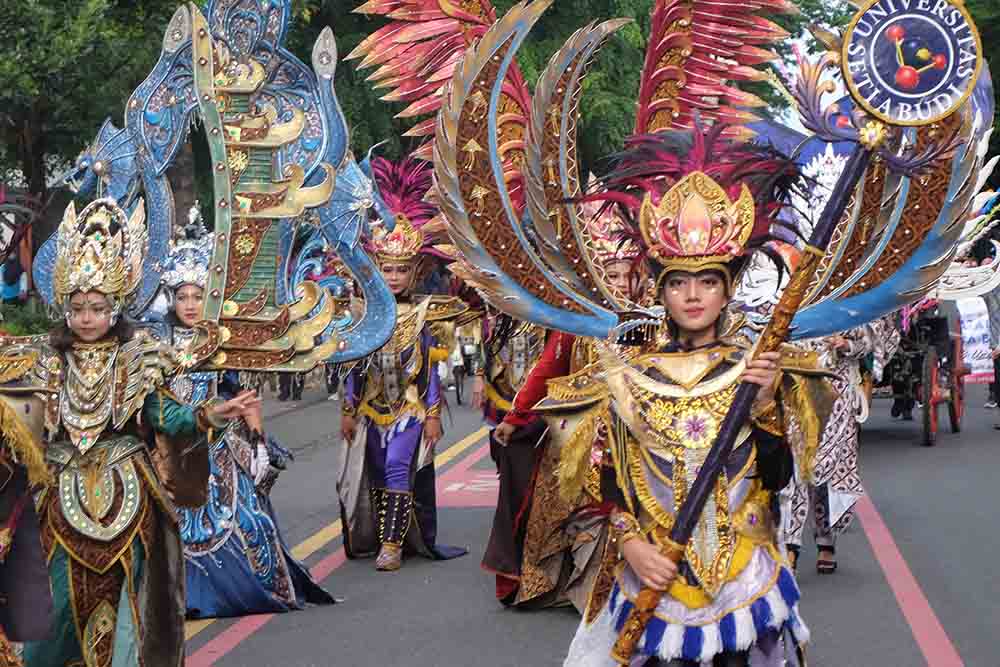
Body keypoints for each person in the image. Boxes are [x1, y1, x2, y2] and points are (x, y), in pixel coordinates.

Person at [536, 134, 833, 666]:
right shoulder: (629, 378)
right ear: (661, 290)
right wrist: (631, 546)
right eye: (679, 283)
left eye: (707, 281)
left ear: (728, 287)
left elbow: (780, 476)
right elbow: (607, 488)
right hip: (656, 578)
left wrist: (765, 404)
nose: (693, 296)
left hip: (745, 576)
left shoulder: (757, 369)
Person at [5, 197, 259, 667]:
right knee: (58, 604)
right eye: (78, 307)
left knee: (127, 613)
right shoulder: (46, 361)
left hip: (128, 498)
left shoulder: (138, 359)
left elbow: (168, 417)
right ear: (65, 309)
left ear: (115, 308)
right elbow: (25, 428)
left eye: (97, 308)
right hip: (61, 499)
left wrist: (211, 416)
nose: (86, 318)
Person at [158, 225, 334, 618]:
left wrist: (254, 428)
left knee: (249, 523)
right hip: (172, 452)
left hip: (217, 449)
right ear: (171, 300)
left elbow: (239, 395)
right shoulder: (157, 347)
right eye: (183, 296)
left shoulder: (224, 343)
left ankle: (235, 590)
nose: (190, 305)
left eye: (198, 296)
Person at [483, 207, 648, 611]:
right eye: (611, 275)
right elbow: (548, 369)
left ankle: (625, 585)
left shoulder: (654, 322)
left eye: (629, 274)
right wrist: (515, 417)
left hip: (637, 439)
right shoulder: (578, 319)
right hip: (574, 436)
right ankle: (575, 585)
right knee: (569, 511)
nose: (621, 283)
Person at [337, 159, 468, 571]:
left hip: (411, 408)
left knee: (397, 466)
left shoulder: (426, 313)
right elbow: (354, 367)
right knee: (376, 472)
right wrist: (347, 408)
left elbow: (430, 371)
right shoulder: (364, 313)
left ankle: (391, 546)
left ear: (415, 271)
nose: (393, 277)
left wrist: (433, 414)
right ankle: (386, 535)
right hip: (373, 409)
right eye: (387, 269)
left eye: (400, 270)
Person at [780, 327, 872, 574]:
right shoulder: (788, 301)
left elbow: (865, 343)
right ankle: (791, 546)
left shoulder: (845, 303)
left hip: (837, 396)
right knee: (794, 469)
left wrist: (844, 345)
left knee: (822, 468)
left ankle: (825, 541)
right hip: (794, 391)